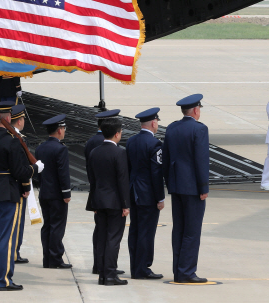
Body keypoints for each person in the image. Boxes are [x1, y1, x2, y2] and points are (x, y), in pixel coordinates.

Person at [0, 101, 43, 291]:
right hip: (7, 192)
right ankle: (3, 280)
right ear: (7, 119)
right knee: (7, 238)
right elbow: (20, 171)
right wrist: (35, 168)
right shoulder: (12, 141)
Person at [163, 94, 210, 284]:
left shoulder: (172, 128)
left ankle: (178, 269)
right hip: (192, 188)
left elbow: (166, 159)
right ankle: (187, 271)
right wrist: (203, 186)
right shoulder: (200, 129)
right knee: (192, 231)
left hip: (176, 185)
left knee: (179, 229)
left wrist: (169, 182)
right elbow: (201, 160)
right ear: (196, 110)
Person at [86, 117, 130, 286]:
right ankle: (111, 274)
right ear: (117, 134)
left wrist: (93, 203)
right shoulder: (119, 152)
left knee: (102, 238)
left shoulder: (94, 152)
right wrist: (126, 204)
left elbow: (93, 179)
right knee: (113, 239)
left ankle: (102, 275)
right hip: (115, 202)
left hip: (99, 201)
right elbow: (122, 180)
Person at [126, 108, 165, 279]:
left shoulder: (131, 141)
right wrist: (160, 197)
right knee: (146, 233)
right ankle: (143, 268)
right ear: (154, 123)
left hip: (133, 192)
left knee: (135, 230)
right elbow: (156, 173)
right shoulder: (155, 144)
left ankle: (135, 266)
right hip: (147, 195)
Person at [35, 114, 72, 269]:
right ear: (59, 130)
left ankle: (47, 258)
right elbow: (63, 173)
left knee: (48, 225)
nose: (64, 131)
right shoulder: (60, 149)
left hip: (44, 193)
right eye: (63, 129)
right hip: (57, 195)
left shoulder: (40, 148)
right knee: (57, 226)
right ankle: (55, 258)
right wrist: (66, 193)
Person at [10, 104, 29, 264]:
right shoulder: (18, 139)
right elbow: (22, 165)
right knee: (17, 222)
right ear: (19, 121)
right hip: (17, 187)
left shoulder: (13, 136)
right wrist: (26, 186)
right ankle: (14, 252)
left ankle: (14, 250)